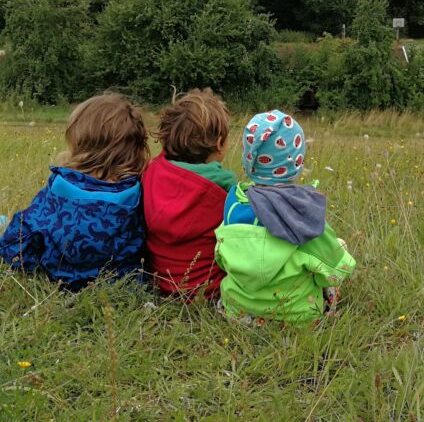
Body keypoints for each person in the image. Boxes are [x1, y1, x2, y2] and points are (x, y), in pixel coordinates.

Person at [215, 111, 356, 324]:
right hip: (298, 317)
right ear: (297, 162)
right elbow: (335, 270)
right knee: (339, 248)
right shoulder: (302, 213)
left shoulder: (234, 203)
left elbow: (222, 258)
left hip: (237, 312)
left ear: (248, 160)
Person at [0, 94, 148, 291]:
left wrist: (28, 263)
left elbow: (15, 242)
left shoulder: (60, 188)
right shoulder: (138, 192)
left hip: (60, 278)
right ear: (135, 146)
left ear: (79, 140)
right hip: (124, 284)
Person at [142, 88, 236, 298]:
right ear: (220, 143)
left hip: (160, 283)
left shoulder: (151, 172)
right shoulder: (225, 186)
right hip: (209, 291)